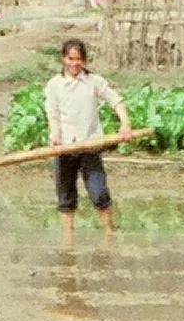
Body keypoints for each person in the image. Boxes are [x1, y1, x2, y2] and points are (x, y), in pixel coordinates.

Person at [43, 37, 130, 243]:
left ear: (84, 60)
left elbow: (116, 100)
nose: (75, 64)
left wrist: (125, 124)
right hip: (64, 148)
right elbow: (53, 114)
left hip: (90, 145)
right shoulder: (54, 85)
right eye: (71, 59)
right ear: (64, 59)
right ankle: (68, 238)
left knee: (99, 193)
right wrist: (55, 136)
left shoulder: (94, 82)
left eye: (79, 59)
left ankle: (109, 232)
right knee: (66, 196)